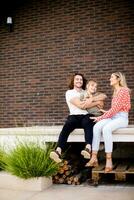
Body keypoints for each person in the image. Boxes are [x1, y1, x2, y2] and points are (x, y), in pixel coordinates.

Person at [50, 73, 106, 163]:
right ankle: (58, 151)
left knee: (88, 123)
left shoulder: (85, 91)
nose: (79, 81)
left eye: (81, 79)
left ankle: (88, 148)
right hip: (74, 116)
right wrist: (95, 102)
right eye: (77, 79)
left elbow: (102, 97)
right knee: (66, 127)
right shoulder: (69, 93)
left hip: (86, 116)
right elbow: (81, 106)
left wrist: (91, 100)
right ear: (73, 81)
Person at [86, 72, 131, 173]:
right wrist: (106, 113)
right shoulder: (115, 91)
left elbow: (117, 110)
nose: (110, 79)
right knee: (96, 127)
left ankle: (109, 160)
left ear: (118, 79)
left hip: (122, 119)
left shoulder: (123, 91)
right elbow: (114, 109)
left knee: (106, 129)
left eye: (112, 77)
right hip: (114, 117)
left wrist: (101, 117)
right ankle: (94, 157)